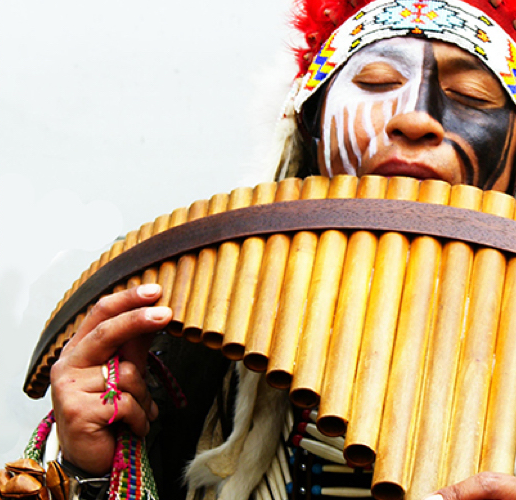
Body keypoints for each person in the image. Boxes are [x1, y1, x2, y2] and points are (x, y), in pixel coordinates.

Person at [43, 0, 516, 499]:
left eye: (473, 95)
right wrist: (89, 470)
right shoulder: (198, 321)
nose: (416, 118)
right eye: (376, 82)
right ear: (307, 131)